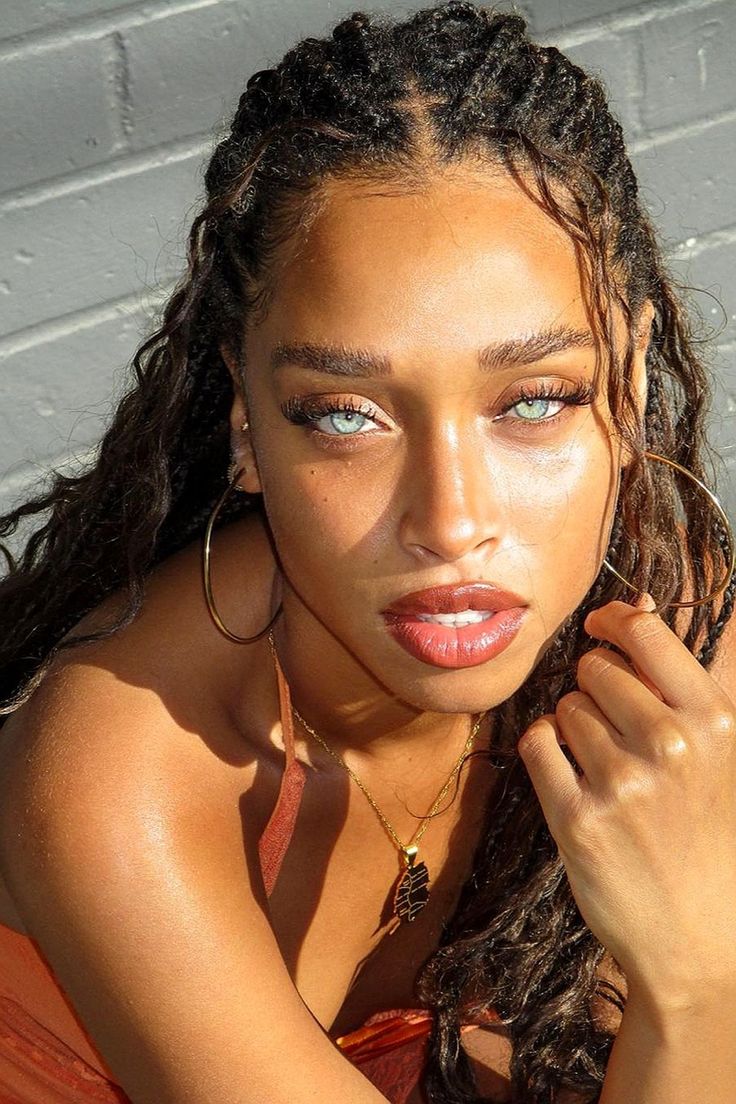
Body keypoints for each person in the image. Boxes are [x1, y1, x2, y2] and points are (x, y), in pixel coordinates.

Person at [0, 2, 734, 1102]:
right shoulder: (122, 771)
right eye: (345, 414)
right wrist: (695, 976)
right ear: (247, 426)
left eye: (533, 399)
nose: (448, 520)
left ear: (624, 386)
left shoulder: (660, 635)